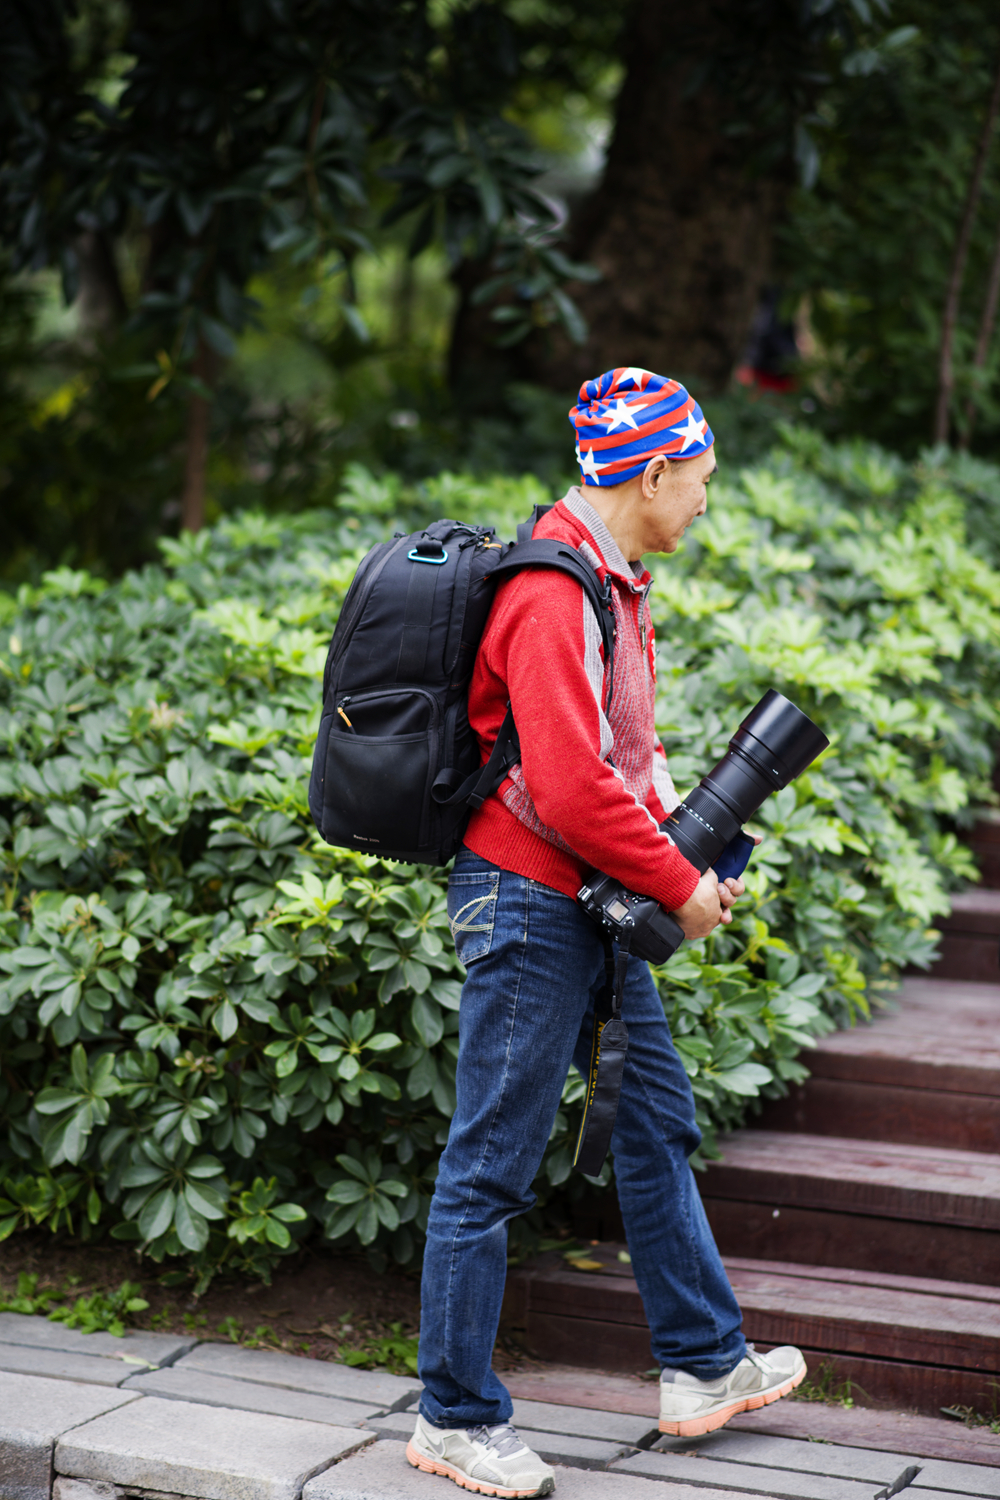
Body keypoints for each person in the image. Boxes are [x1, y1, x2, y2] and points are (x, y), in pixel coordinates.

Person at [406, 368, 806, 1498]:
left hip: (585, 897)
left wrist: (688, 854)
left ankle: (702, 1364)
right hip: (530, 901)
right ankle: (453, 1417)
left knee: (651, 1126)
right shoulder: (549, 588)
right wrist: (678, 887)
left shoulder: (616, 578)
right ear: (653, 470)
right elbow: (573, 791)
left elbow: (626, 751)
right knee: (489, 1162)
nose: (706, 503)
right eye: (703, 482)